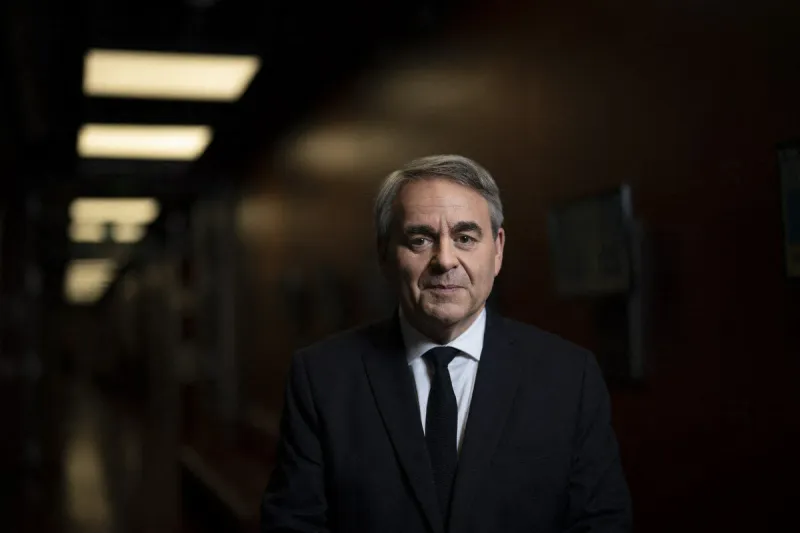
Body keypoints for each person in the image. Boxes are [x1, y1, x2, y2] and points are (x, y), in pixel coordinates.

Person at [261, 155, 632, 533]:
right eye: (420, 239)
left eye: (465, 238)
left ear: (498, 249)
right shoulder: (322, 378)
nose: (445, 260)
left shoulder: (569, 377)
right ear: (385, 254)